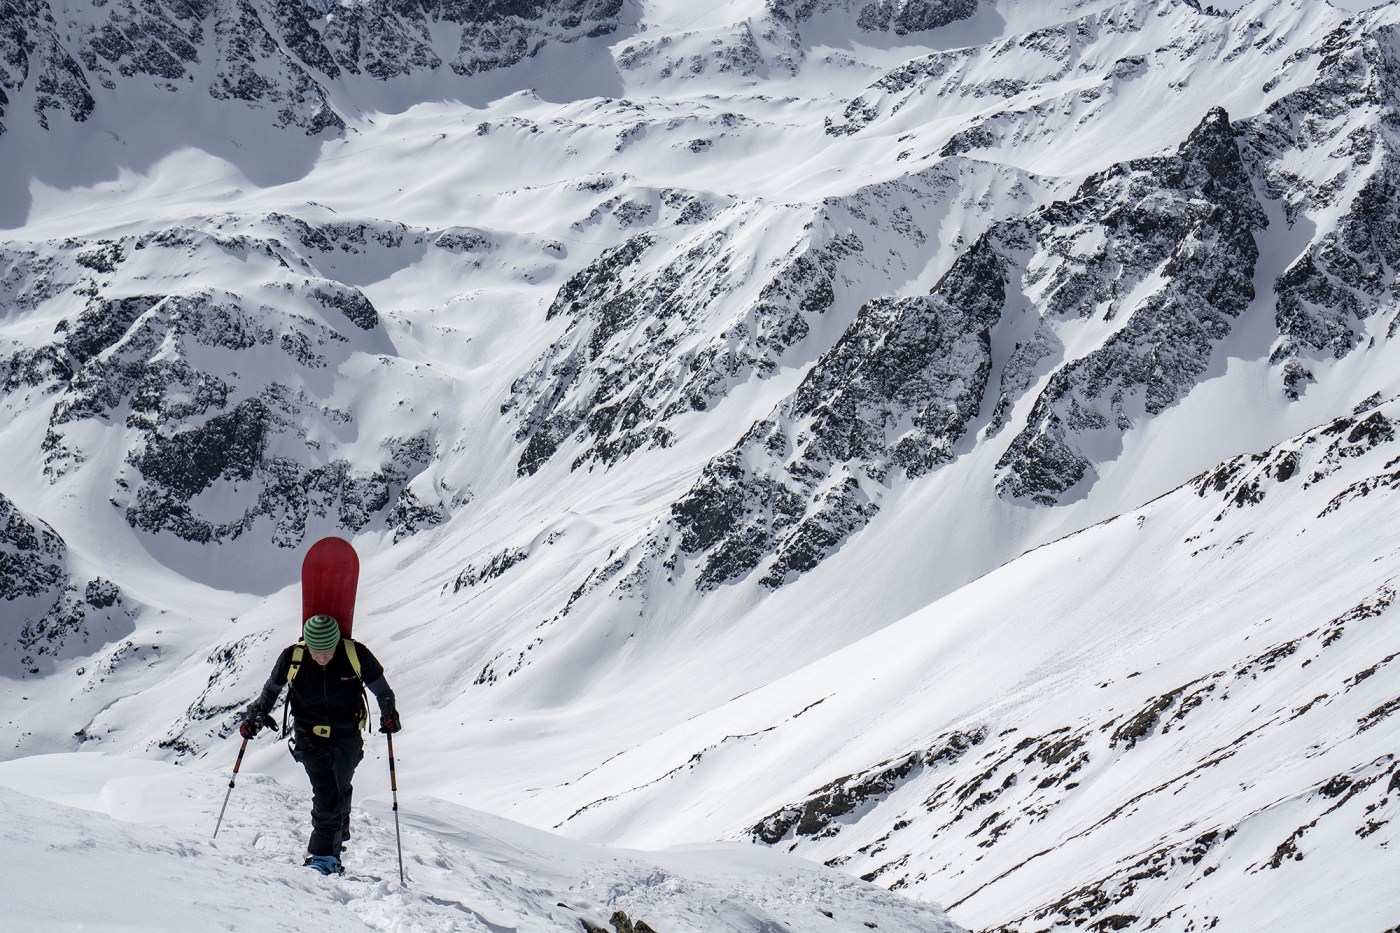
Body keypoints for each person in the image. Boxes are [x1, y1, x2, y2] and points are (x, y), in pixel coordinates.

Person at [240, 614, 401, 875]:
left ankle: (337, 831)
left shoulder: (355, 654)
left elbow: (382, 690)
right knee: (327, 794)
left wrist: (388, 713)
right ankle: (323, 857)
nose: (322, 657)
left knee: (341, 787)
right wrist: (257, 714)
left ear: (336, 643)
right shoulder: (292, 657)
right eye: (316, 650)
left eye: (328, 650)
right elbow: (271, 690)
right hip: (308, 735)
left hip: (347, 734)